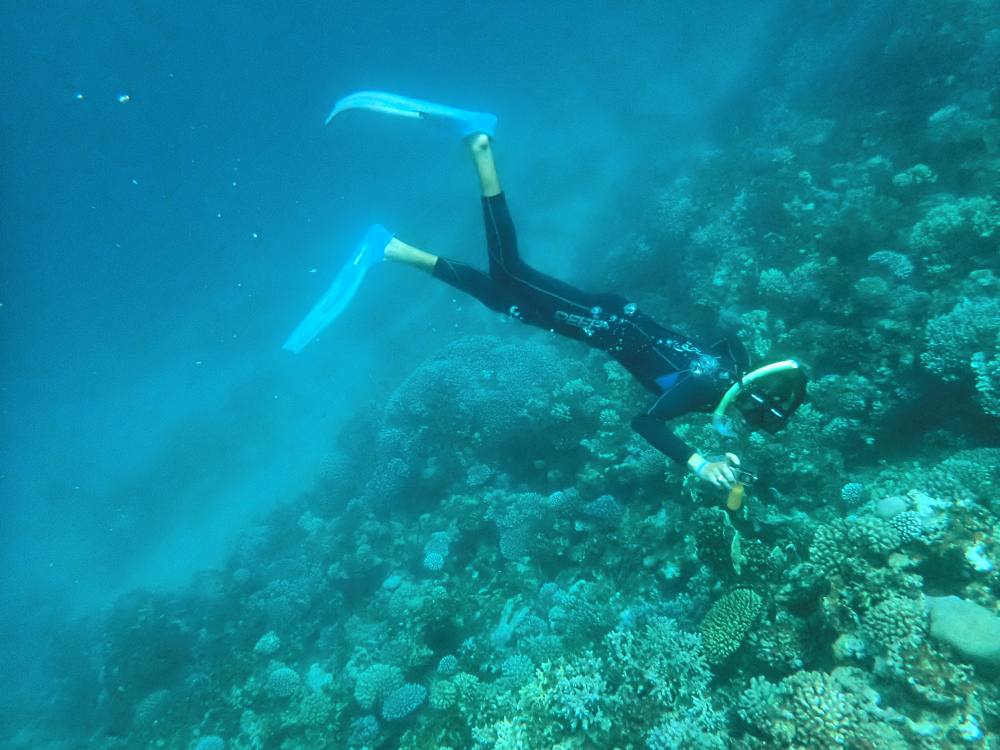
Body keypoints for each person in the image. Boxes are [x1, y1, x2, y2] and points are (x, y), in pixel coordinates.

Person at [378, 134, 808, 489]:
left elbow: (728, 339)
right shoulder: (703, 391)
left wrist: (724, 418)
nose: (745, 423)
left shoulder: (730, 367)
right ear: (752, 406)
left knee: (498, 296)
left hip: (610, 319)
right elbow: (646, 422)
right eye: (752, 420)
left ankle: (396, 250)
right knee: (510, 271)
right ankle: (482, 152)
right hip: (601, 323)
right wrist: (699, 463)